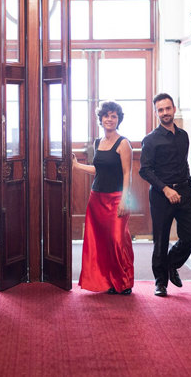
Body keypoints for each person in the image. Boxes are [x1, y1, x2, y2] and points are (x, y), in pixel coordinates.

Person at [139, 93, 191, 297]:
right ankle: (160, 283)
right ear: (156, 112)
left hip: (184, 191)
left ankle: (170, 264)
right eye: (160, 110)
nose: (164, 113)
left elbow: (183, 164)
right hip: (161, 195)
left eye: (167, 108)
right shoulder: (150, 140)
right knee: (161, 239)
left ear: (174, 109)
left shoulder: (183, 135)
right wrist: (166, 189)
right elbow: (145, 170)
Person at [74, 101, 134, 295]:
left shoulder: (123, 143)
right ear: (101, 119)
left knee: (118, 240)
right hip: (97, 199)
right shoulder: (98, 142)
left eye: (113, 116)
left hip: (117, 199)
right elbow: (98, 170)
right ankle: (107, 280)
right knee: (100, 241)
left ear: (118, 119)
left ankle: (124, 282)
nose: (109, 119)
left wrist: (125, 200)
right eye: (106, 115)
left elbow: (127, 174)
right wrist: (77, 166)